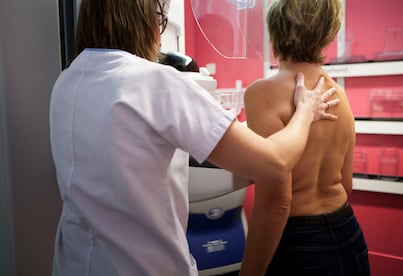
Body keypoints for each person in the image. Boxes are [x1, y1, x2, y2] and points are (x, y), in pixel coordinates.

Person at [49, 0, 339, 275]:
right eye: (160, 21)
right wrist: (305, 111)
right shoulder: (157, 82)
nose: (160, 39)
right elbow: (275, 163)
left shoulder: (67, 81)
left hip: (76, 263)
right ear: (142, 21)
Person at [239, 0, 370, 275]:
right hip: (349, 234)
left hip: (299, 243)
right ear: (328, 33)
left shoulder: (261, 93)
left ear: (275, 29)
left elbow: (275, 202)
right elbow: (346, 183)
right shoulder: (338, 95)